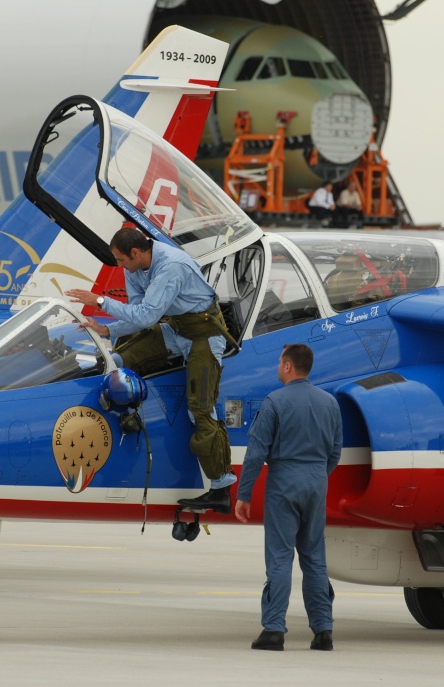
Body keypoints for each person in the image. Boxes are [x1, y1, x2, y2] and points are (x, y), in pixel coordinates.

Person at [65, 227, 236, 513]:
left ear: (135, 253)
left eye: (120, 261)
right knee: (119, 359)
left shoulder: (172, 266)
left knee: (201, 409)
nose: (119, 267)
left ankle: (221, 488)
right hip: (176, 329)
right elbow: (138, 317)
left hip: (204, 336)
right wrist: (107, 329)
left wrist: (99, 301)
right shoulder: (135, 269)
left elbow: (147, 314)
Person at [234, 343, 342, 652]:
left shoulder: (275, 402)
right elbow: (335, 450)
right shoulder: (330, 403)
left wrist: (244, 494)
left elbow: (256, 453)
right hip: (317, 481)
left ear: (288, 367)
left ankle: (274, 629)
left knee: (280, 557)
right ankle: (323, 631)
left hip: (284, 481)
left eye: (280, 362)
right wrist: (317, 476)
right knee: (315, 558)